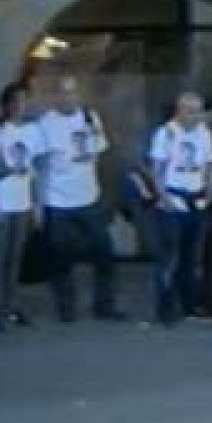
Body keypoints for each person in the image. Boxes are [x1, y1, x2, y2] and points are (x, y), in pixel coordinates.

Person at [35, 76, 125, 323]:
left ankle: (105, 306)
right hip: (57, 200)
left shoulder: (89, 118)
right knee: (60, 257)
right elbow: (38, 166)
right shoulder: (46, 125)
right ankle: (66, 309)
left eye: (73, 93)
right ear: (56, 97)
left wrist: (105, 193)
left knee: (104, 252)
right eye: (64, 93)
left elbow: (100, 154)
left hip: (88, 198)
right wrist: (38, 204)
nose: (69, 98)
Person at [0, 83, 43, 332]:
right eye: (16, 102)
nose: (20, 107)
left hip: (22, 200)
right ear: (6, 105)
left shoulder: (32, 131)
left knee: (15, 257)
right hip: (2, 199)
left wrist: (36, 203)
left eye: (24, 101)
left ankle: (10, 305)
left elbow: (34, 169)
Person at [148, 92, 212, 326]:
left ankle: (189, 305)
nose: (195, 116)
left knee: (191, 257)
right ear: (179, 111)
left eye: (198, 111)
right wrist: (164, 198)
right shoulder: (166, 134)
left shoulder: (204, 133)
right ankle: (164, 309)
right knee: (169, 258)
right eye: (190, 111)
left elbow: (209, 164)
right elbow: (157, 169)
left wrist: (210, 190)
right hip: (173, 198)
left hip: (196, 199)